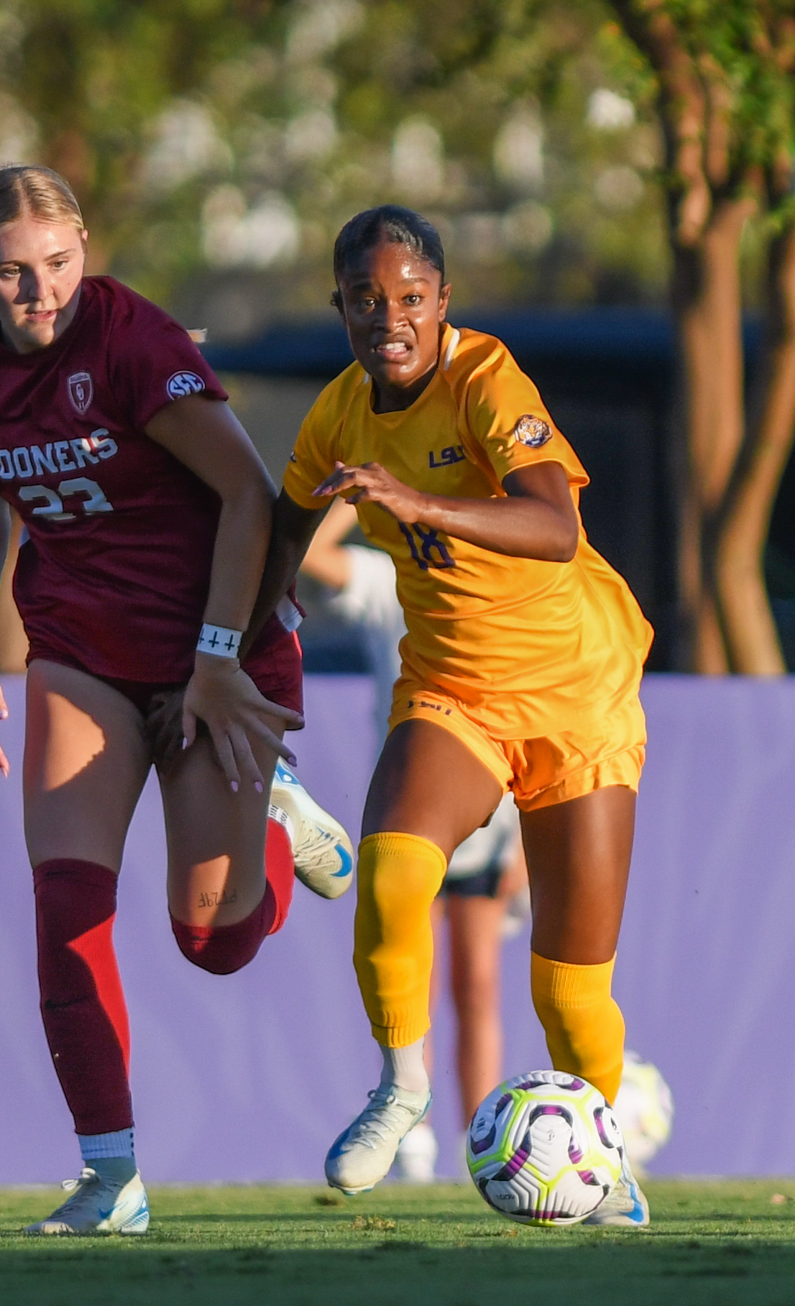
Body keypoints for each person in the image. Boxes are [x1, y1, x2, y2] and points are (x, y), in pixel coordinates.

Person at [0, 164, 355, 1236]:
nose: (41, 294)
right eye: (12, 273)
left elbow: (248, 498)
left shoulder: (131, 341)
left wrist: (217, 659)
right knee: (64, 905)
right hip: (80, 649)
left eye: (60, 265)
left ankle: (274, 807)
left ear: (87, 247)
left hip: (218, 644)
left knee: (211, 942)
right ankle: (109, 1177)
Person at [283, 204, 654, 1224]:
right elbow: (276, 534)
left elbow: (552, 523)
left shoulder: (487, 379)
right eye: (365, 300)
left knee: (569, 994)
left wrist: (418, 502)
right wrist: (228, 643)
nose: (388, 318)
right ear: (341, 307)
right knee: (395, 872)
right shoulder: (338, 415)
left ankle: (603, 1158)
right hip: (453, 692)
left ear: (443, 303)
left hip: (578, 696)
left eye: (409, 298)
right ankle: (402, 1092)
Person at [300, 501, 530, 1180]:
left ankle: (480, 1131)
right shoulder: (389, 580)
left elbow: (524, 713)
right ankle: (413, 1132)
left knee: (478, 984)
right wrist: (355, 494)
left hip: (493, 815)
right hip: (410, 807)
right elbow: (309, 555)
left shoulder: (504, 590)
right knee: (410, 976)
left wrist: (523, 836)